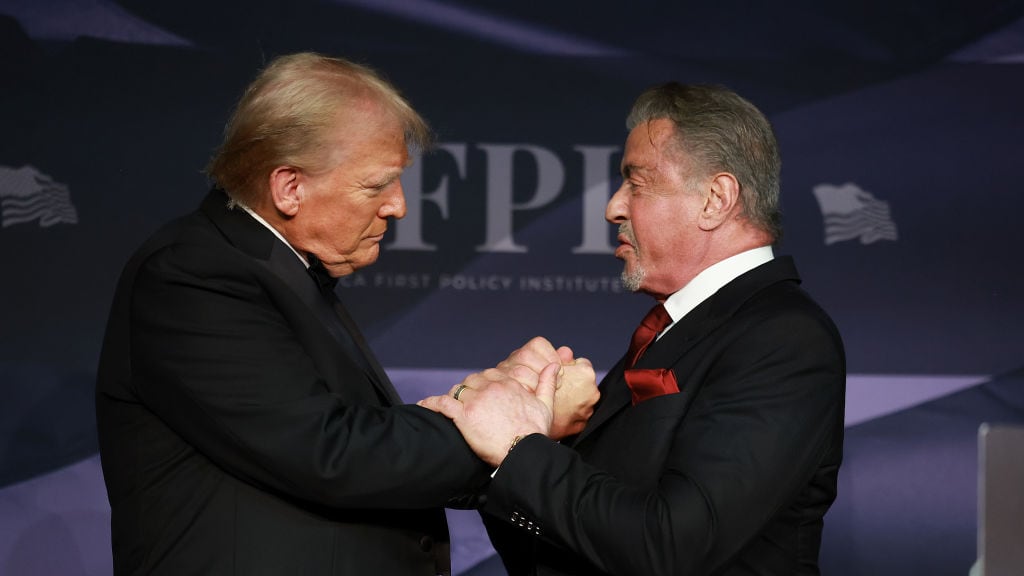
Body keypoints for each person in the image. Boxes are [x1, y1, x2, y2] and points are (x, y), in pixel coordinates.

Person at [95, 52, 597, 576]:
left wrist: (493, 402)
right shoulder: (195, 274)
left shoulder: (277, 270)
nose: (398, 206)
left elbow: (348, 436)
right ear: (290, 187)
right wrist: (514, 435)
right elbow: (329, 452)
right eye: (377, 184)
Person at [420, 82, 846, 575]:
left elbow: (671, 545)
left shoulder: (782, 338)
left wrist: (519, 447)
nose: (613, 207)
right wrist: (521, 444)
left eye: (637, 182)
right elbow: (575, 544)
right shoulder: (675, 329)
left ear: (715, 198)